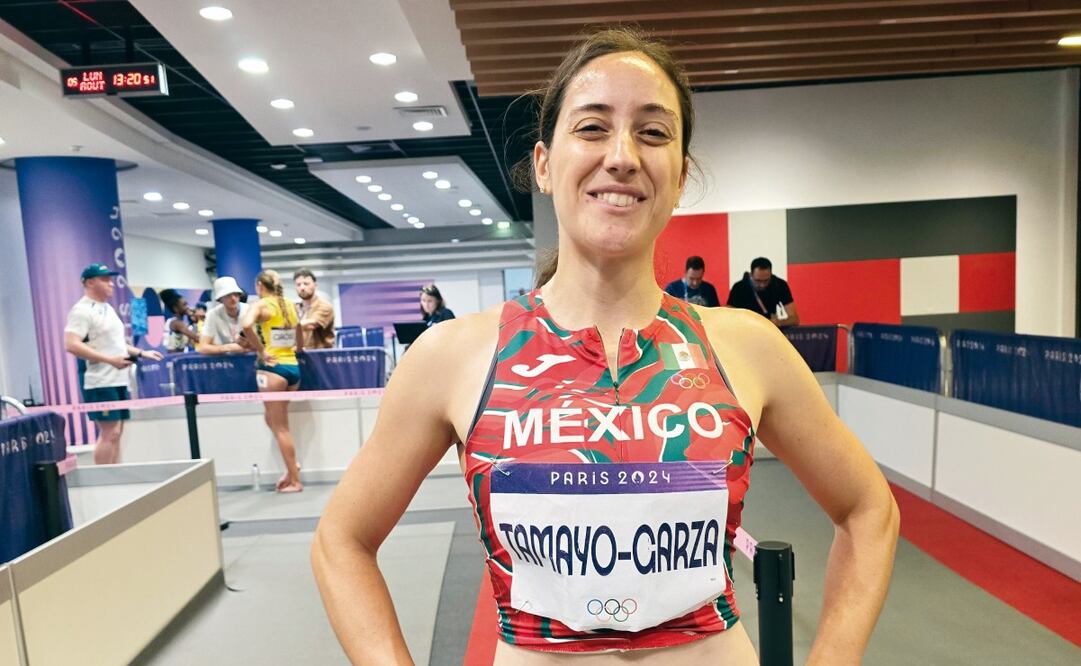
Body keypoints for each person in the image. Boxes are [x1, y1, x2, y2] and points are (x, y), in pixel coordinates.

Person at [312, 29, 898, 664]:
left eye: (652, 133)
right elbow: (341, 540)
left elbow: (870, 510)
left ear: (679, 177)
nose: (622, 156)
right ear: (543, 163)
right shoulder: (455, 355)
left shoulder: (746, 346)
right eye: (592, 128)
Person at [63, 263, 163, 464]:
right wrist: (110, 361)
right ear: (90, 282)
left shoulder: (107, 308)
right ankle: (102, 480)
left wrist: (142, 352)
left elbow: (116, 345)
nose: (111, 284)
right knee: (110, 432)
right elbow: (71, 344)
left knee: (118, 432)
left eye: (110, 279)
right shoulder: (82, 311)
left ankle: (116, 476)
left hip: (118, 378)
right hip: (99, 381)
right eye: (105, 280)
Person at [241, 270, 304, 493]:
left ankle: (296, 480)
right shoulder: (289, 304)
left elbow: (246, 325)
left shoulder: (260, 305)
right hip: (293, 369)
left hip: (273, 370)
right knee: (271, 419)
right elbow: (299, 330)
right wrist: (299, 348)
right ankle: (291, 465)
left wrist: (261, 351)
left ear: (259, 285)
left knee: (280, 427)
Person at [726, 257, 801, 328]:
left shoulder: (779, 285)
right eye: (758, 281)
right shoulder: (739, 287)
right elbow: (728, 315)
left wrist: (778, 322)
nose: (762, 285)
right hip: (746, 328)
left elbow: (794, 319)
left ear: (771, 275)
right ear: (751, 275)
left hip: (769, 328)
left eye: (766, 281)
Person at [197, 276, 250, 354]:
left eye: (235, 294)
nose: (233, 298)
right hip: (224, 361)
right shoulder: (213, 314)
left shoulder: (248, 310)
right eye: (228, 295)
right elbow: (203, 347)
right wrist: (228, 348)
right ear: (220, 299)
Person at [294, 268, 336, 349]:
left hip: (320, 356)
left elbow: (311, 325)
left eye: (306, 284)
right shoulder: (295, 308)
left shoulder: (324, 306)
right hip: (299, 355)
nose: (302, 288)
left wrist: (289, 326)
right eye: (298, 285)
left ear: (315, 286)